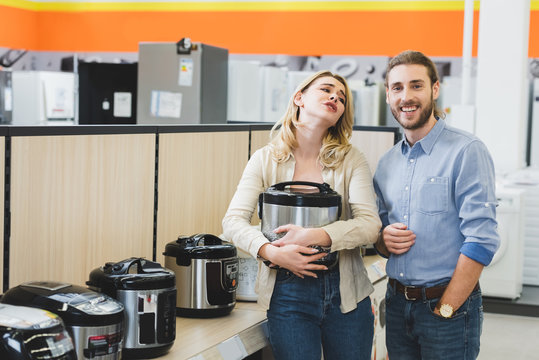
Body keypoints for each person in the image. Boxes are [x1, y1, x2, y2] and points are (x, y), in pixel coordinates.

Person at [222, 70, 381, 360]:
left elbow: (370, 225)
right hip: (286, 292)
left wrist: (316, 236)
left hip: (345, 292)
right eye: (326, 89)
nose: (335, 96)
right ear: (299, 98)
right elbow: (232, 222)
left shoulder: (351, 159)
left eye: (342, 97)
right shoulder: (265, 158)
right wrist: (270, 251)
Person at [373, 50, 500, 360]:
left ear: (435, 89)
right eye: (397, 88)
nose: (407, 97)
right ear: (389, 95)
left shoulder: (466, 151)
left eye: (416, 85)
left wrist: (446, 309)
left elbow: (482, 239)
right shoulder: (387, 163)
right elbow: (378, 234)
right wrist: (382, 240)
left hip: (447, 307)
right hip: (398, 304)